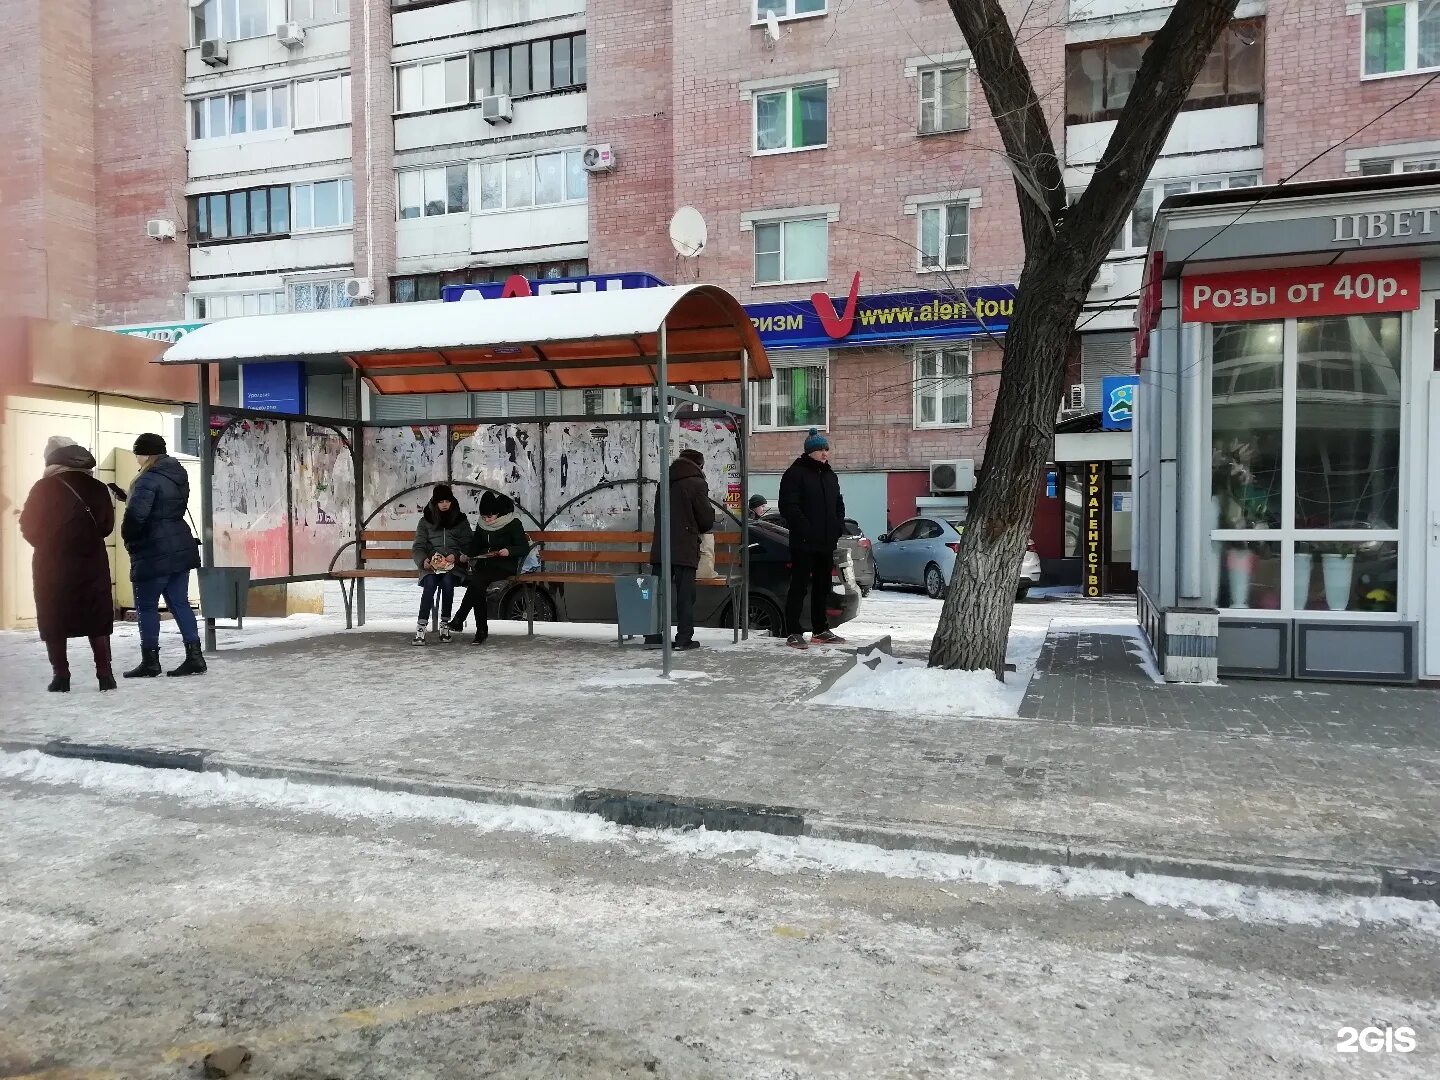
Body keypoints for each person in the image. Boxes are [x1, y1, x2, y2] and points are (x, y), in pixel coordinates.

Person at [19, 437, 119, 692]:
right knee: (96, 616)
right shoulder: (98, 488)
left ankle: (61, 676)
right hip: (92, 562)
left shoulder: (43, 488)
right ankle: (105, 675)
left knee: (54, 616)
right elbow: (107, 527)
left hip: (52, 565)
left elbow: (28, 526)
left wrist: (49, 542)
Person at [121, 433, 206, 678]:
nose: (137, 459)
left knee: (146, 606)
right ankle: (195, 657)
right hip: (179, 543)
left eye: (138, 454)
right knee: (179, 602)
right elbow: (163, 506)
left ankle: (150, 662)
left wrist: (129, 539)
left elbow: (137, 517)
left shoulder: (147, 478)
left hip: (154, 549)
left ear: (146, 454)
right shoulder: (177, 474)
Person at [778, 428, 847, 650]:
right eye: (820, 450)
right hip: (804, 542)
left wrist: (837, 525)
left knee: (822, 586)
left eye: (826, 449)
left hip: (826, 542)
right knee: (799, 586)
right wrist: (806, 529)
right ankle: (793, 631)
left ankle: (820, 629)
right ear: (810, 452)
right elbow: (789, 507)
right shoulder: (795, 473)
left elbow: (838, 503)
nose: (825, 453)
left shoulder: (829, 475)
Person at [647, 448, 715, 651]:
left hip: (661, 547)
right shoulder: (697, 483)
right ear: (699, 465)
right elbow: (705, 521)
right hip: (684, 547)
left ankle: (653, 635)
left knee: (659, 594)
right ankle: (684, 638)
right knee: (685, 596)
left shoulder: (665, 481)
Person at [449, 490, 529, 646]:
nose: (487, 520)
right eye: (484, 517)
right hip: (485, 564)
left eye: (490, 517)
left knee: (477, 583)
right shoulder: (482, 524)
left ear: (498, 514)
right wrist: (466, 555)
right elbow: (476, 545)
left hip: (505, 565)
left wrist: (509, 551)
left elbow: (523, 547)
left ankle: (461, 618)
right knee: (477, 587)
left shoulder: (512, 523)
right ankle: (480, 631)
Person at [411, 483, 472, 646]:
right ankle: (421, 628)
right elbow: (418, 546)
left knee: (447, 582)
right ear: (435, 502)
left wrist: (457, 556)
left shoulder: (460, 520)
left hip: (453, 566)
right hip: (431, 565)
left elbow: (468, 544)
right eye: (441, 501)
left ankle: (445, 624)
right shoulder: (425, 521)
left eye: (447, 501)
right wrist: (423, 560)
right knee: (430, 583)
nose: (444, 504)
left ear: (452, 501)